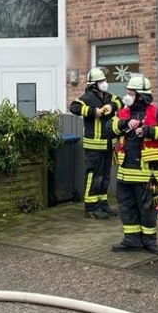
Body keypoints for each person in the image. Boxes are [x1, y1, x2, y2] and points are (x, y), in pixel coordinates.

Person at [104, 74, 158, 255]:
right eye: (127, 92)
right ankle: (131, 240)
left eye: (131, 92)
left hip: (149, 174)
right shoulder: (123, 113)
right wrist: (124, 124)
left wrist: (148, 130)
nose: (127, 95)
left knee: (148, 210)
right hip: (125, 174)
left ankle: (149, 242)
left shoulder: (156, 113)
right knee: (126, 208)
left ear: (140, 95)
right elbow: (108, 129)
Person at [69, 67, 122, 219]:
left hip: (107, 145)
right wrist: (93, 112)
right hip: (94, 146)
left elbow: (119, 102)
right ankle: (91, 207)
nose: (105, 83)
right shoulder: (88, 97)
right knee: (94, 176)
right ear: (95, 83)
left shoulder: (107, 97)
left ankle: (103, 204)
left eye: (104, 80)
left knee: (105, 176)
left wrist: (111, 106)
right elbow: (74, 107)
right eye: (102, 81)